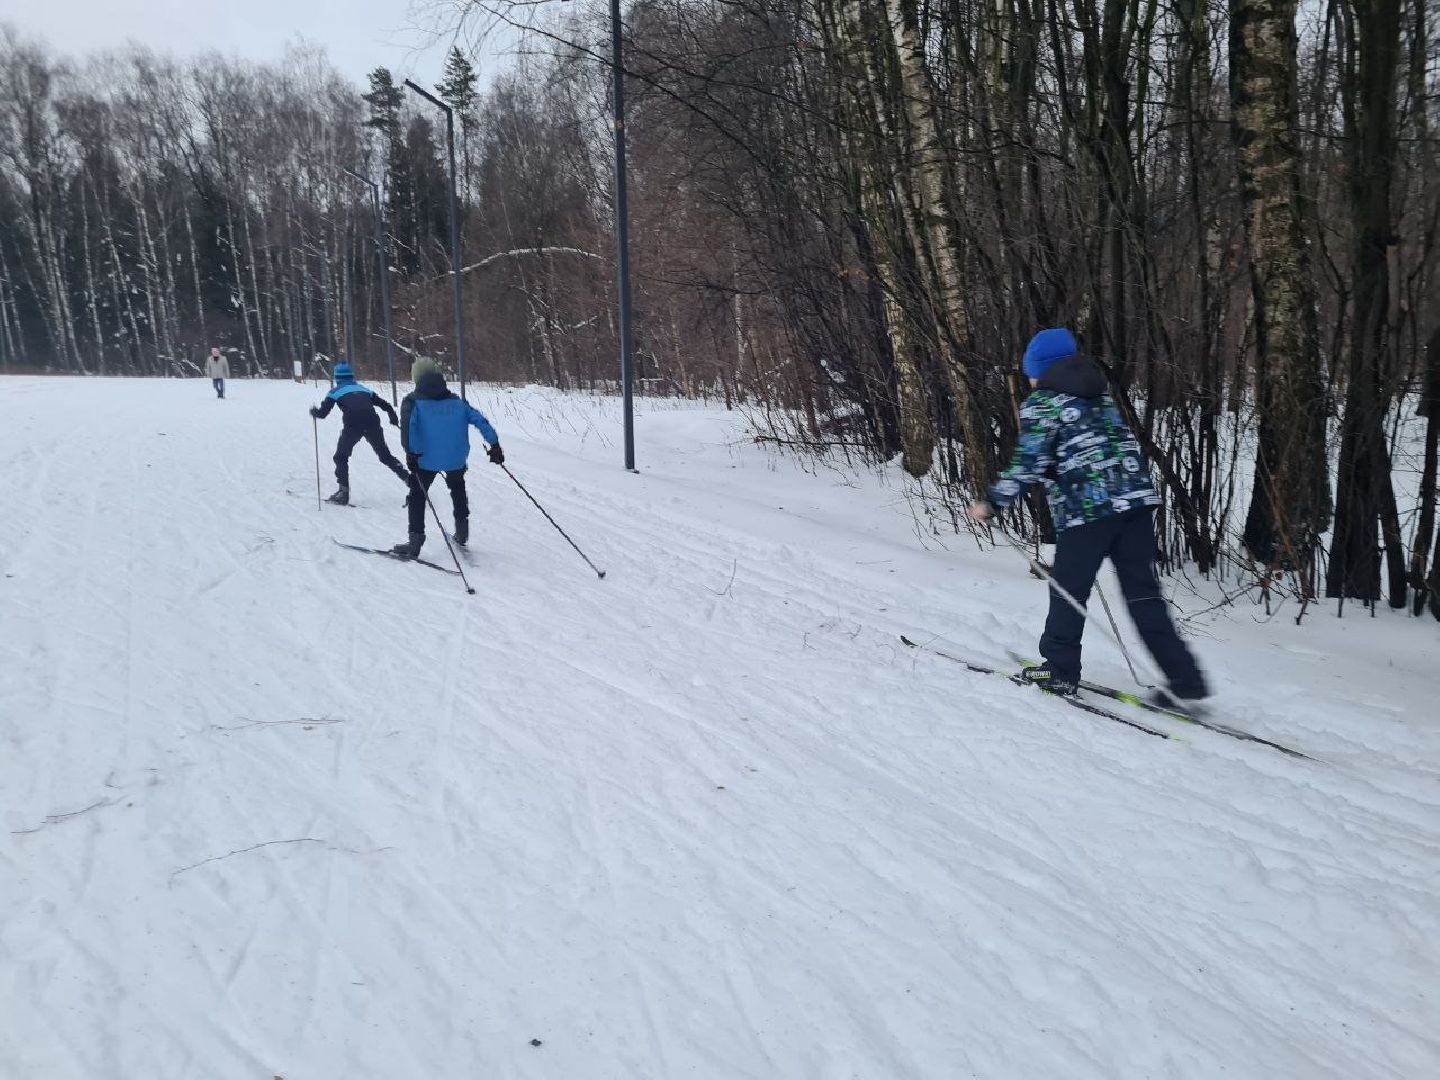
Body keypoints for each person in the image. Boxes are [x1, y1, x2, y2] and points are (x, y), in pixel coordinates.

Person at [969, 328, 1210, 715]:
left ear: (1041, 370)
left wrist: (992, 502)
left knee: (1067, 588)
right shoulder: (1098, 396)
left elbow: (1029, 461)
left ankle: (1060, 671)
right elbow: (1082, 450)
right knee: (1143, 595)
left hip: (1088, 511)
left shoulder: (1043, 401)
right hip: (1135, 505)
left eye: (1031, 372)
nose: (1029, 380)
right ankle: (1186, 681)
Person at [394, 357, 504, 558]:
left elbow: (409, 428)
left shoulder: (411, 401)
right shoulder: (458, 402)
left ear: (416, 378)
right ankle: (462, 533)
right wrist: (494, 445)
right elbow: (480, 420)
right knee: (457, 489)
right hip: (456, 459)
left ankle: (415, 541)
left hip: (425, 460)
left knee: (418, 496)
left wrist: (410, 452)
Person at [309, 362, 410, 505]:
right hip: (372, 423)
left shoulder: (335, 392)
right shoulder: (363, 389)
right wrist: (393, 418)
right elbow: (386, 405)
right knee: (385, 456)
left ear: (337, 377)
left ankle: (343, 493)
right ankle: (411, 482)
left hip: (353, 425)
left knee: (340, 457)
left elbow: (322, 414)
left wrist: (314, 412)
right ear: (352, 376)